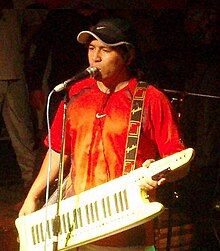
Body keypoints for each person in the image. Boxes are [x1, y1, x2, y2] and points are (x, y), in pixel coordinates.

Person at [19, 18, 189, 250]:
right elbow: (59, 151)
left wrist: (159, 172)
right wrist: (33, 196)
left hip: (127, 222)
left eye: (105, 50)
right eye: (91, 48)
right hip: (78, 221)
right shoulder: (75, 94)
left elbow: (180, 161)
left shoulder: (150, 99)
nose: (95, 57)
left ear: (127, 55)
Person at [0, 7, 37, 188]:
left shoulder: (13, 11)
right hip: (10, 72)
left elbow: (37, 20)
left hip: (14, 73)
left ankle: (29, 181)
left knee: (22, 131)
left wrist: (23, 45)